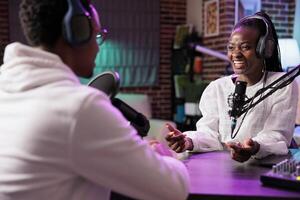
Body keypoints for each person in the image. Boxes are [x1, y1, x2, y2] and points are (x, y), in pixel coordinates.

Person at [0, 0, 190, 200]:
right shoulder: (78, 107)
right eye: (97, 35)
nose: (98, 48)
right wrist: (160, 157)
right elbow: (173, 189)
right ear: (78, 30)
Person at [166, 11, 298, 163]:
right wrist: (188, 141)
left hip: (261, 167)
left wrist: (254, 147)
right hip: (223, 168)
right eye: (231, 47)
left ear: (265, 49)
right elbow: (209, 133)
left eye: (245, 47)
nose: (236, 54)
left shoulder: (282, 84)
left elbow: (277, 134)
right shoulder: (217, 88)